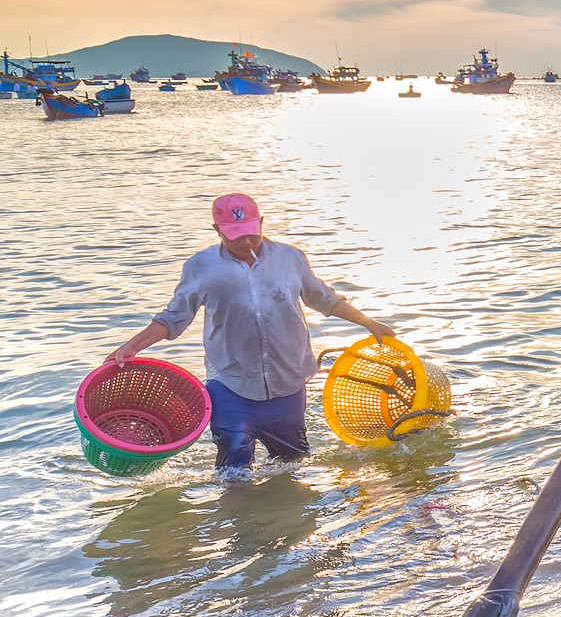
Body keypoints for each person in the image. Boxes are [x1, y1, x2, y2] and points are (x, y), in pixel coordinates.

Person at [106, 193, 396, 472]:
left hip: (288, 381)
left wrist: (368, 323)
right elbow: (174, 318)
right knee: (233, 471)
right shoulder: (201, 267)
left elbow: (325, 299)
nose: (246, 241)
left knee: (292, 463)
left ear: (262, 223)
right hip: (231, 383)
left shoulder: (290, 258)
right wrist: (131, 347)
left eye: (251, 232)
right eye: (235, 234)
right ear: (216, 230)